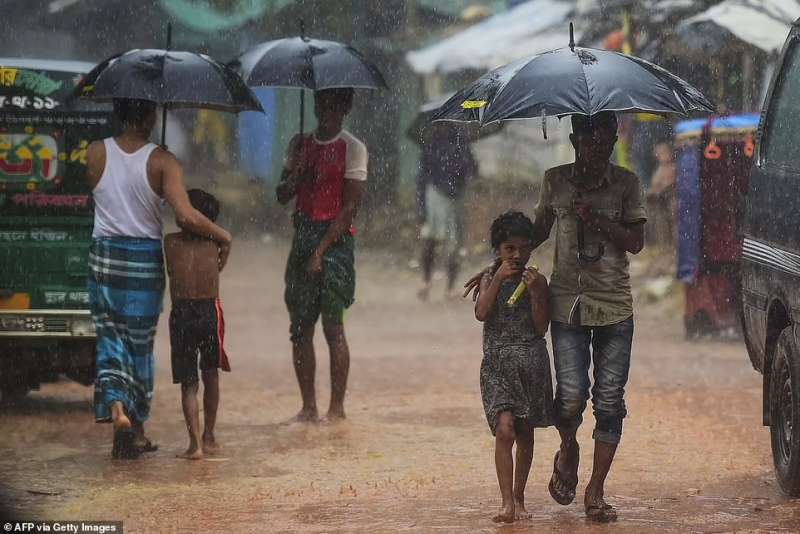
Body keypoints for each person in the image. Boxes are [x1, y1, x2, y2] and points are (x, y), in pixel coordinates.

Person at [465, 112, 646, 522]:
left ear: (615, 138)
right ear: (575, 138)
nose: (599, 146)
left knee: (610, 401)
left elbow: (636, 241)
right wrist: (495, 267)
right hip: (567, 307)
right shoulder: (555, 182)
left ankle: (596, 490)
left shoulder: (627, 184)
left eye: (607, 138)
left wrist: (596, 220)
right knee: (569, 396)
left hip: (615, 307)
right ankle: (568, 445)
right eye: (591, 138)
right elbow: (535, 235)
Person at [86, 98, 232, 459]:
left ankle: (116, 409)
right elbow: (185, 216)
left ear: (120, 113)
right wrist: (223, 235)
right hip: (143, 261)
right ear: (151, 116)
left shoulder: (93, 152)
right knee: (139, 345)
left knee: (110, 339)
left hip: (104, 255)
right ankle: (136, 429)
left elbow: (100, 196)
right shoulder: (163, 161)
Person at [276, 88, 367, 423]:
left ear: (344, 109)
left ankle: (336, 408)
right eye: (322, 105)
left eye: (334, 106)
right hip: (302, 239)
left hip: (336, 243)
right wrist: (296, 173)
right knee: (300, 328)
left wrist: (321, 250)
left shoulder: (353, 149)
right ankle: (308, 406)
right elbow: (281, 195)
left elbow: (349, 209)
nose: (326, 112)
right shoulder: (299, 145)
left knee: (333, 327)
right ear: (314, 106)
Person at [474, 211, 552, 524]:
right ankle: (506, 502)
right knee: (504, 430)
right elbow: (481, 313)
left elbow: (541, 326)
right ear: (498, 249)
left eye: (522, 248)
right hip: (496, 365)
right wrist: (494, 281)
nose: (517, 256)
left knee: (524, 432)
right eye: (509, 249)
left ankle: (520, 497)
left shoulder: (537, 280)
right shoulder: (488, 277)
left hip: (530, 364)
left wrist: (535, 293)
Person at [164, 189, 231, 460]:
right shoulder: (217, 244)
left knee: (189, 383)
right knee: (211, 373)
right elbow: (220, 266)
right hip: (209, 311)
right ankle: (210, 436)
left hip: (182, 314)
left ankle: (195, 446)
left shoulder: (170, 242)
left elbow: (170, 271)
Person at [416, 123, 477, 300]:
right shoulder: (430, 145)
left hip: (455, 199)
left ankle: (450, 287)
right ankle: (426, 281)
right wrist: (421, 208)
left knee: (454, 244)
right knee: (430, 238)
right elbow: (421, 178)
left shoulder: (461, 143)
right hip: (435, 195)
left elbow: (473, 170)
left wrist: (465, 155)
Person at [646, 141, 677, 246]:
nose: (663, 156)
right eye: (660, 154)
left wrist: (664, 188)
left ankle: (673, 242)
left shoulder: (674, 167)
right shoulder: (659, 170)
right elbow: (655, 185)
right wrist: (654, 191)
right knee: (657, 218)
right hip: (660, 201)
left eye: (665, 153)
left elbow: (672, 183)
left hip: (672, 197)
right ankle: (661, 241)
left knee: (673, 212)